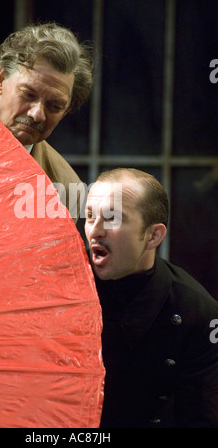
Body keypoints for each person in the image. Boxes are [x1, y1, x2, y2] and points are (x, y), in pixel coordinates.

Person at [85, 167, 218, 428]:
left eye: (112, 218)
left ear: (153, 236)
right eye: (90, 216)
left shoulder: (198, 312)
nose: (95, 231)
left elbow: (201, 418)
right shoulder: (62, 291)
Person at [0, 22, 93, 222]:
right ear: (1, 80)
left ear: (67, 111)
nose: (37, 114)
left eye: (54, 106)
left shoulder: (64, 190)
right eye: (28, 94)